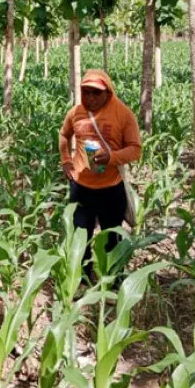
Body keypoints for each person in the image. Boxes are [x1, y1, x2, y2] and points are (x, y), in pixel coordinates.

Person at [59, 69, 141, 280]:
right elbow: (64, 135)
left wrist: (112, 157)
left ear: (108, 92)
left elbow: (135, 149)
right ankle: (81, 279)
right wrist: (66, 161)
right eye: (86, 92)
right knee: (80, 237)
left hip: (111, 189)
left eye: (96, 93)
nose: (91, 98)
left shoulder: (123, 114)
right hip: (81, 188)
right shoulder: (75, 113)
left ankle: (112, 281)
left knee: (112, 237)